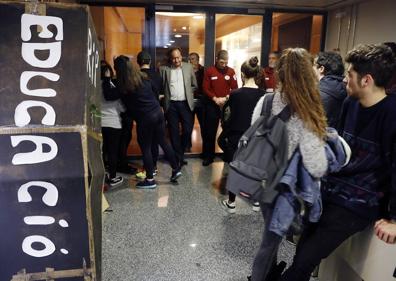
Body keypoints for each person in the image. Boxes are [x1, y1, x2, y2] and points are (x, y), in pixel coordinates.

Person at [280, 44, 396, 281]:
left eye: (350, 75)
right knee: (301, 251)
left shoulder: (392, 114)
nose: (344, 80)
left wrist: (394, 219)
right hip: (331, 190)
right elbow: (338, 150)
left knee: (304, 261)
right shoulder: (349, 104)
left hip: (359, 202)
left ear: (366, 80)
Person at [249, 48, 328, 281]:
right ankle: (259, 277)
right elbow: (315, 164)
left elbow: (253, 135)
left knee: (270, 236)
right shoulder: (310, 109)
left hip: (265, 182)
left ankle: (269, 273)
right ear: (308, 74)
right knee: (270, 241)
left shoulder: (266, 100)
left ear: (280, 74)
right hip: (291, 189)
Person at [111, 56, 182, 189]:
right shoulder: (143, 77)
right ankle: (176, 169)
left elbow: (120, 102)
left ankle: (150, 180)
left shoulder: (124, 85)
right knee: (164, 142)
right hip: (158, 113)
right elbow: (154, 93)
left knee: (146, 148)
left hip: (145, 118)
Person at [219, 56, 264, 213]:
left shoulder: (235, 94)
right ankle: (256, 202)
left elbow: (229, 117)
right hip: (256, 136)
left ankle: (231, 203)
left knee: (235, 168)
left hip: (237, 136)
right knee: (255, 168)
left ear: (242, 74)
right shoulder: (263, 94)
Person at [159, 47, 197, 166]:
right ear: (170, 59)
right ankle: (179, 158)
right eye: (174, 58)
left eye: (178, 57)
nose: (177, 60)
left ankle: (178, 153)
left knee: (187, 130)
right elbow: (160, 86)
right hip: (171, 105)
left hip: (185, 104)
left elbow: (194, 85)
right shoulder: (163, 69)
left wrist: (187, 92)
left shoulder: (188, 67)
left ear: (181, 56)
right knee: (173, 132)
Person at [202, 50, 238, 166]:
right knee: (210, 133)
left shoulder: (231, 71)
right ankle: (209, 156)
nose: (224, 65)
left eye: (226, 62)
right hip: (212, 105)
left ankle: (228, 155)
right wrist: (215, 99)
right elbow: (205, 88)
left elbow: (235, 88)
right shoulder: (210, 71)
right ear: (217, 59)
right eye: (222, 62)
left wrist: (226, 98)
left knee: (228, 130)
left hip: (227, 106)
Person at [135, 50, 162, 180]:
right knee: (155, 141)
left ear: (138, 62)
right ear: (150, 62)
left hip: (144, 112)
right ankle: (155, 166)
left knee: (145, 143)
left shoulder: (137, 76)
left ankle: (149, 169)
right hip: (157, 111)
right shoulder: (157, 75)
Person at [101, 60, 124, 188]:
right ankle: (113, 177)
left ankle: (102, 174)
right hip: (114, 123)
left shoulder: (93, 87)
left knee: (102, 151)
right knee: (113, 151)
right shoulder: (112, 86)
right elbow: (121, 107)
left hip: (99, 123)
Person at [313, 51, 347, 128]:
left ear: (321, 69)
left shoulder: (316, 94)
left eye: (314, 65)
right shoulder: (349, 91)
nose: (312, 68)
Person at [187, 52, 205, 155]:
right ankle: (187, 146)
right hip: (190, 100)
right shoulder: (186, 71)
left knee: (203, 125)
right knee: (188, 125)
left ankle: (204, 147)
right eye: (189, 59)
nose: (191, 61)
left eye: (193, 59)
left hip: (201, 101)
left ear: (198, 60)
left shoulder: (203, 71)